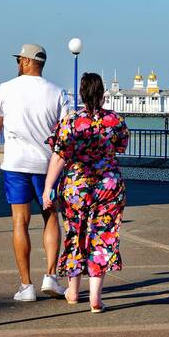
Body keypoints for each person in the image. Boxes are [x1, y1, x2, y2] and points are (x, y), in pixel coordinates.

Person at [0, 43, 71, 302]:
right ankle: (51, 277)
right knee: (51, 217)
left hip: (15, 165)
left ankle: (26, 286)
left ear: (25, 61)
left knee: (20, 222)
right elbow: (66, 135)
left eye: (19, 59)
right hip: (48, 167)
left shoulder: (6, 89)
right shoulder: (58, 93)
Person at [42, 73, 129, 312]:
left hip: (76, 186)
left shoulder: (70, 122)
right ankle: (95, 299)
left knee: (75, 233)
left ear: (81, 94)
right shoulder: (115, 121)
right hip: (108, 186)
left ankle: (72, 292)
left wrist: (48, 188)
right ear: (102, 94)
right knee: (103, 236)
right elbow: (121, 146)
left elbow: (59, 156)